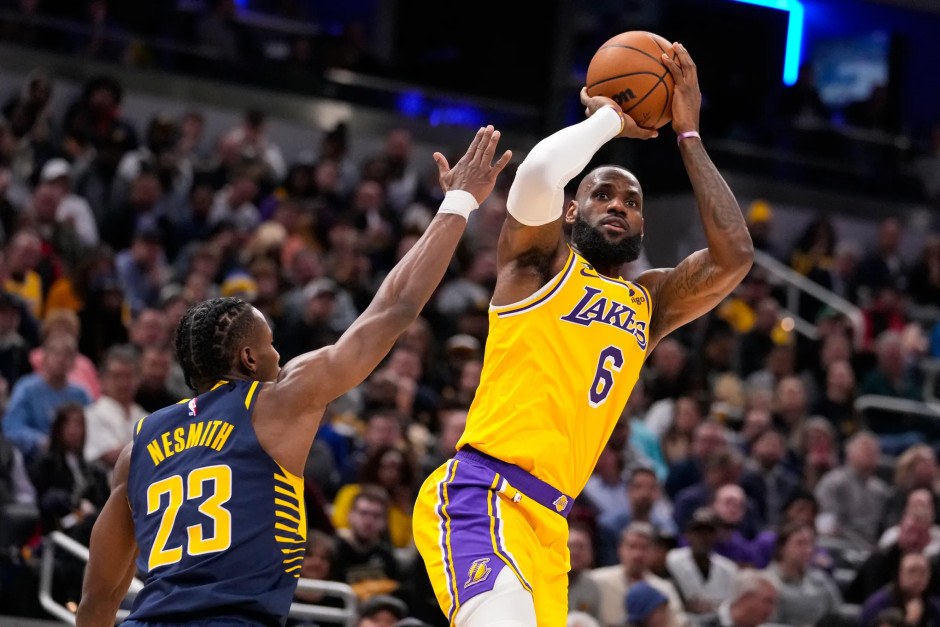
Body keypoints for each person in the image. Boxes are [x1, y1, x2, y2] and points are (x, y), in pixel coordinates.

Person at [75, 126, 513, 626]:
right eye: (270, 344)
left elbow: (98, 598)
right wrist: (459, 202)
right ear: (248, 359)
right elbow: (394, 307)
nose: (279, 355)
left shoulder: (137, 449)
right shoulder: (278, 401)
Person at [413, 43, 754, 626]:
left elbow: (734, 257)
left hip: (550, 527)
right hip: (483, 495)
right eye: (602, 194)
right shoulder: (537, 264)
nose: (619, 205)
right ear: (570, 212)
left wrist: (689, 135)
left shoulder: (648, 301)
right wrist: (610, 119)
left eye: (632, 201)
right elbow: (540, 173)